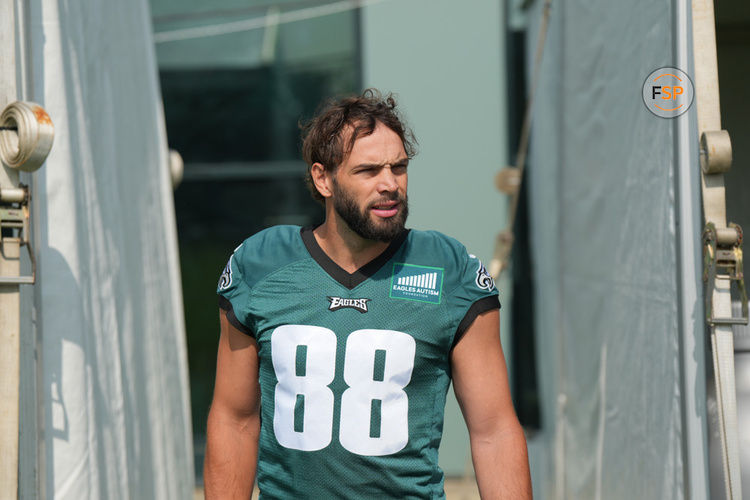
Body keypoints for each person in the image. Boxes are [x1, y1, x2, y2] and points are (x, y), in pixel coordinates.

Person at [204, 89, 532, 499]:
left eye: (399, 167)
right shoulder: (261, 265)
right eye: (368, 171)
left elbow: (494, 430)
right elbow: (234, 420)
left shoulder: (448, 270)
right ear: (323, 178)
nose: (390, 185)